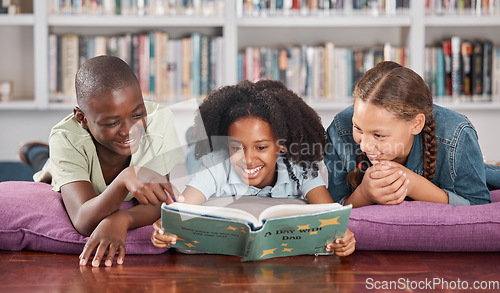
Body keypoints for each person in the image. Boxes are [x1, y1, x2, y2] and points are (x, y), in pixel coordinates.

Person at [151, 80, 356, 257]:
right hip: (211, 162)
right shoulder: (215, 164)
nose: (248, 160)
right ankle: (193, 139)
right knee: (195, 160)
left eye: (261, 147)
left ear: (281, 145)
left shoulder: (301, 167)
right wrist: (164, 227)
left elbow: (331, 218)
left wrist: (343, 237)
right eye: (236, 146)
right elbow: (180, 213)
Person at [29, 55, 184, 267]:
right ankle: (35, 154)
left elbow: (160, 201)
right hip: (59, 166)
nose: (130, 130)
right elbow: (83, 220)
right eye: (112, 123)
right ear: (82, 119)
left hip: (77, 159)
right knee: (45, 169)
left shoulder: (159, 122)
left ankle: (38, 153)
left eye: (138, 114)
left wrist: (121, 218)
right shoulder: (66, 138)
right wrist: (124, 179)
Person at [324, 60, 499, 208]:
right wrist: (363, 194)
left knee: (489, 174)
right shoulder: (341, 129)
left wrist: (413, 185)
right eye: (358, 128)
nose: (364, 146)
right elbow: (331, 207)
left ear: (416, 124)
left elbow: (479, 207)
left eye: (379, 135)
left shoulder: (456, 135)